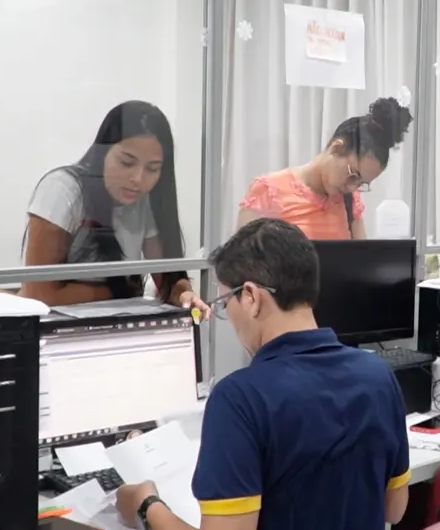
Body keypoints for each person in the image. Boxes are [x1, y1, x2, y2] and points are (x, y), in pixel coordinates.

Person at [115, 218, 411, 530]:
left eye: (226, 303)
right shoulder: (378, 374)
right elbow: (394, 509)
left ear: (251, 297)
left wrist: (146, 505)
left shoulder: (240, 398)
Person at [21, 100, 208, 314]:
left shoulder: (145, 201)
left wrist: (184, 294)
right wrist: (122, 289)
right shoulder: (62, 190)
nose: (138, 179)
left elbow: (167, 278)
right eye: (127, 163)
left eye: (153, 169)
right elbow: (39, 295)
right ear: (102, 153)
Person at [237, 97, 413, 239]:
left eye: (361, 183)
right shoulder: (268, 191)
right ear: (337, 147)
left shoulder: (349, 201)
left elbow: (362, 262)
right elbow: (242, 264)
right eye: (353, 175)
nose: (352, 187)